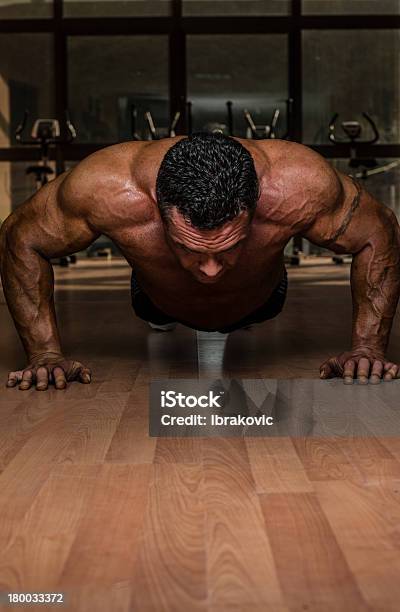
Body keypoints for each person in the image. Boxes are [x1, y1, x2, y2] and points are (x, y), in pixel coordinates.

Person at [0, 133, 399, 390]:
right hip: (156, 296)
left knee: (246, 306)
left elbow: (377, 231)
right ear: (158, 208)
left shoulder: (299, 184)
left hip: (262, 297)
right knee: (158, 307)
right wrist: (45, 354)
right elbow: (21, 237)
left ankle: (237, 306)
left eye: (228, 249)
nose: (209, 271)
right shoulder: (106, 187)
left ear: (257, 204)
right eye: (190, 249)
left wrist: (367, 349)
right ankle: (164, 314)